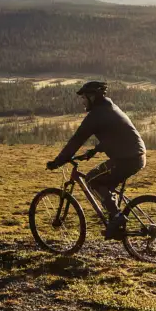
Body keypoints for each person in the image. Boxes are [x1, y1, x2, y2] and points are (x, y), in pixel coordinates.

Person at [46, 81, 146, 239]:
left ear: (92, 97)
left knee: (92, 178)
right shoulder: (110, 108)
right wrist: (93, 151)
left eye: (84, 98)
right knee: (105, 183)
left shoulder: (96, 115)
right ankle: (115, 222)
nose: (83, 101)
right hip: (136, 156)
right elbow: (114, 135)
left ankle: (117, 217)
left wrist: (58, 161)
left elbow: (76, 140)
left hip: (126, 158)